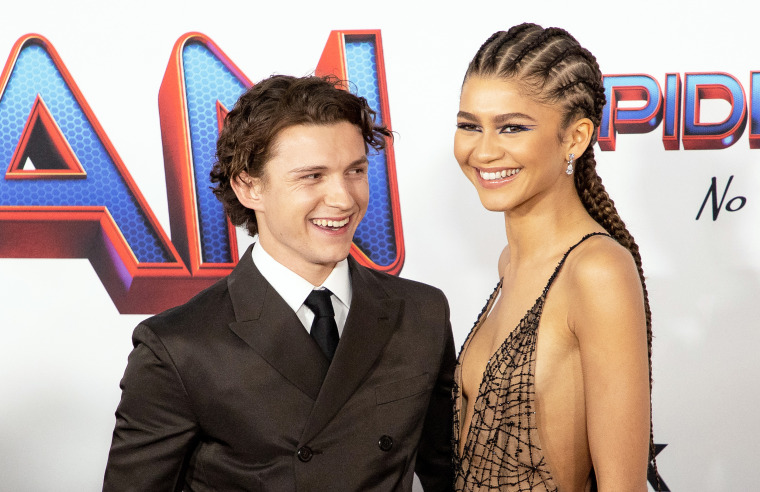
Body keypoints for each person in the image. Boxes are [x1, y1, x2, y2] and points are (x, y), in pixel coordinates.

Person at [103, 75, 455, 491]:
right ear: (248, 186)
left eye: (355, 171)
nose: (343, 198)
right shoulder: (178, 347)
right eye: (312, 176)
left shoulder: (420, 313)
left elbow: (450, 473)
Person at [452, 24, 656, 491]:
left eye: (512, 127)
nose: (482, 150)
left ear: (575, 138)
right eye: (469, 125)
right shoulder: (511, 262)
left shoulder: (596, 270)